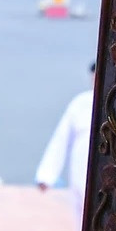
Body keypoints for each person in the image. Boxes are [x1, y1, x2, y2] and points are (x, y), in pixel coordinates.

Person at [35, 62, 96, 214]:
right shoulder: (80, 103)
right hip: (81, 172)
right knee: (82, 218)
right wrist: (47, 175)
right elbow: (61, 140)